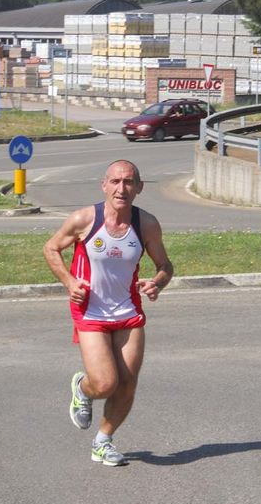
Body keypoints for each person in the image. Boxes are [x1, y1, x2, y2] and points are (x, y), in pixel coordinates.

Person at [43, 160, 173, 466]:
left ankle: (103, 441)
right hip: (90, 311)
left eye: (129, 182)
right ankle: (82, 387)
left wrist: (158, 283)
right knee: (104, 383)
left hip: (128, 311)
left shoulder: (147, 224)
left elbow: (166, 266)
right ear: (104, 185)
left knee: (127, 383)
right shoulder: (84, 219)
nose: (121, 188)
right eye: (115, 182)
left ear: (139, 188)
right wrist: (69, 281)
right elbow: (51, 248)